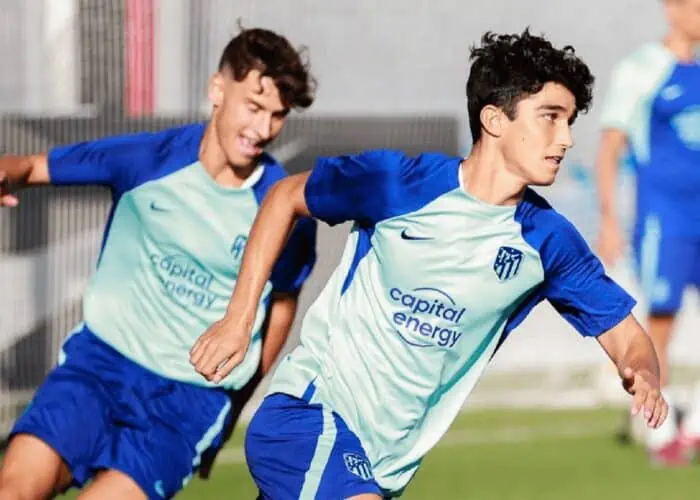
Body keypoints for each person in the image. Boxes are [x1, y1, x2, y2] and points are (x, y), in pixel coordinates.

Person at [191, 29, 668, 499]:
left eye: (569, 122)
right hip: (309, 415)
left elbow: (627, 337)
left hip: (382, 466)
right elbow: (284, 197)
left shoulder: (548, 241)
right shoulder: (398, 184)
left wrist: (642, 372)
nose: (565, 139)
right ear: (494, 120)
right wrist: (238, 320)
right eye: (550, 117)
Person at [0, 26, 316, 500]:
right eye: (253, 107)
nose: (262, 129)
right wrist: (7, 173)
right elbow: (31, 167)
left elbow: (282, 305)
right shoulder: (148, 158)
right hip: (97, 366)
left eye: (277, 116)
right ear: (217, 90)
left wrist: (236, 405)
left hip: (185, 403)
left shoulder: (282, 206)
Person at [594, 0, 700, 465]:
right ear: (672, 9)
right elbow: (610, 149)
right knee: (662, 321)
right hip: (664, 217)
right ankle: (660, 434)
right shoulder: (641, 69)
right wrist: (610, 219)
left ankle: (694, 428)